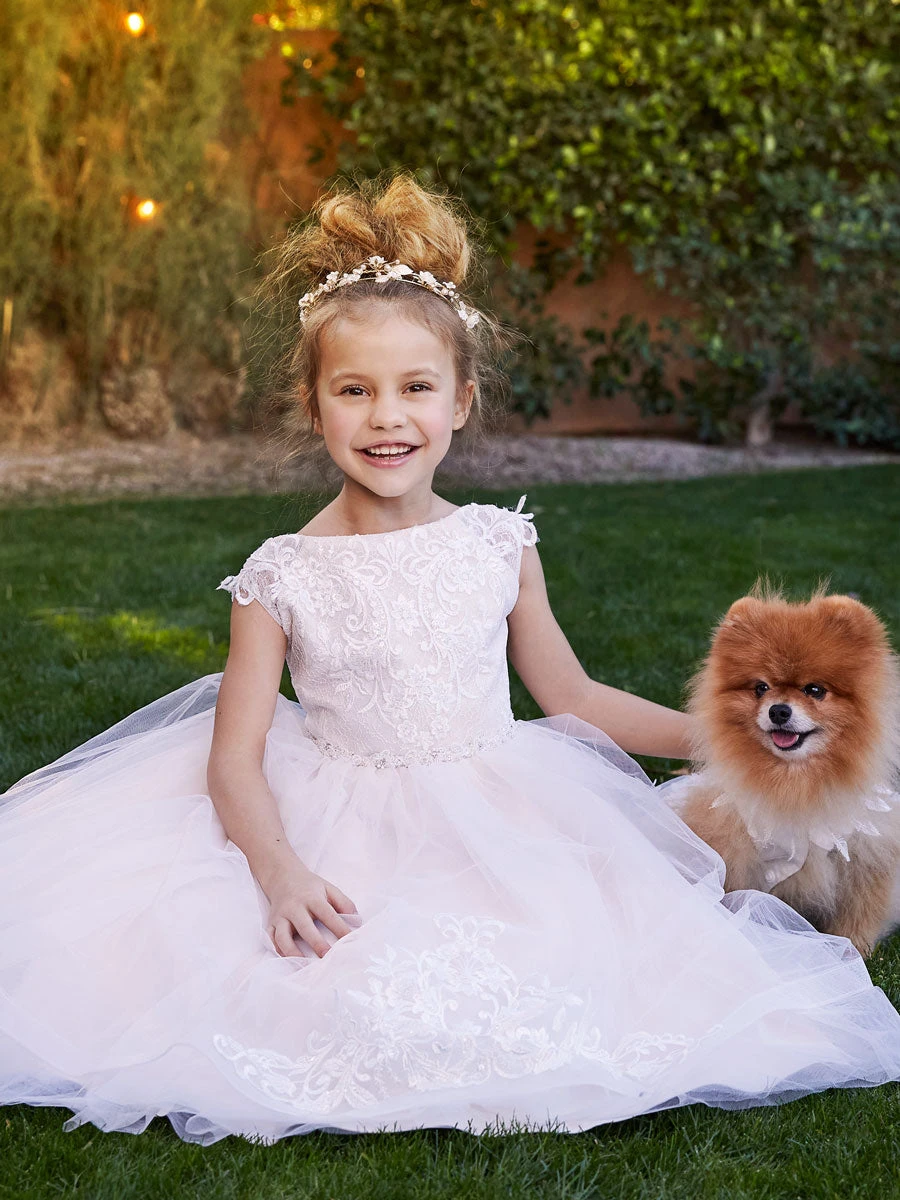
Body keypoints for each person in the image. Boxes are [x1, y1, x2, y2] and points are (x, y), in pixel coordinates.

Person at [2, 177, 899, 1147]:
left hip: (498, 805)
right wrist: (281, 871)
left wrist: (720, 745)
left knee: (582, 961)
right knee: (325, 985)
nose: (388, 418)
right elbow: (234, 758)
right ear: (314, 407)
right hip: (333, 817)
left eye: (415, 388)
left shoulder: (498, 543)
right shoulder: (279, 575)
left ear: (461, 400)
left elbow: (571, 695)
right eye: (355, 391)